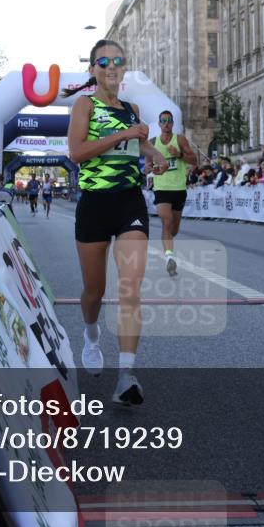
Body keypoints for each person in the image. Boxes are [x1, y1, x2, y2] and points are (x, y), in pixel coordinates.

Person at [65, 39, 169, 406]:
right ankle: (91, 334)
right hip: (94, 204)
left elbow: (138, 147)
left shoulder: (132, 109)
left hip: (129, 202)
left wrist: (155, 155)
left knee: (129, 288)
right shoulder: (84, 105)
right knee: (93, 292)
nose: (112, 66)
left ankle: (126, 375)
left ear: (124, 68)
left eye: (118, 61)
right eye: (104, 61)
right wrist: (124, 134)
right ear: (93, 69)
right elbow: (77, 152)